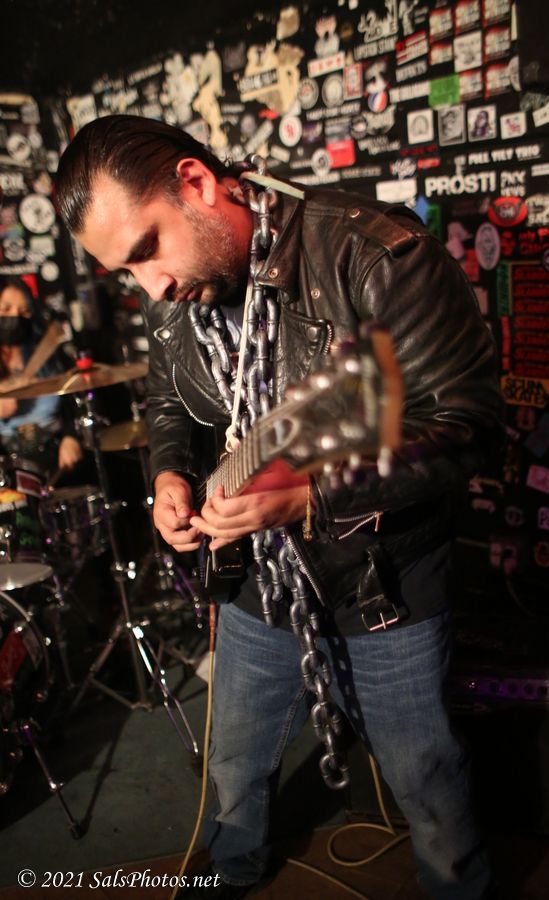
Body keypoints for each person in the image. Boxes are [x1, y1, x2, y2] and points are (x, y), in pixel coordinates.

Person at [55, 115, 504, 900]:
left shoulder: (372, 254)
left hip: (383, 579)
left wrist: (313, 494)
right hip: (257, 580)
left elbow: (469, 428)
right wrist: (169, 475)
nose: (151, 288)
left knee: (424, 775)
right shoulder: (174, 294)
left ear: (198, 183)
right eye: (127, 271)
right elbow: (170, 402)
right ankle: (232, 872)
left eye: (147, 249)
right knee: (236, 756)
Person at [0, 276, 82, 476]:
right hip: (7, 466)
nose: (15, 317)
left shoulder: (47, 352)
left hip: (56, 456)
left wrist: (72, 437)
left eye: (24, 311)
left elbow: (77, 398)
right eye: (6, 309)